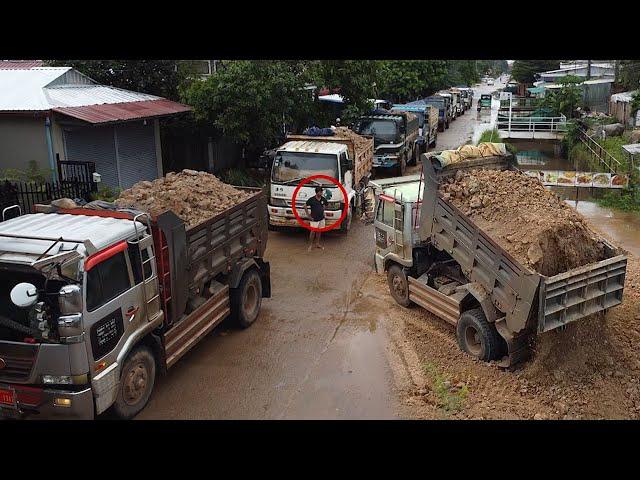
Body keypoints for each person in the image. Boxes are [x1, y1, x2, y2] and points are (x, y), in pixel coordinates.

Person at [304, 186, 328, 252]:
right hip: (314, 218)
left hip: (321, 218)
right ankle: (310, 245)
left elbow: (325, 205)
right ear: (317, 192)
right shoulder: (311, 199)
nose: (321, 193)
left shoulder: (323, 199)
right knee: (312, 232)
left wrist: (323, 211)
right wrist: (308, 215)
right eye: (320, 192)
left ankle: (317, 244)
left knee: (319, 231)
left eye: (321, 192)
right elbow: (305, 206)